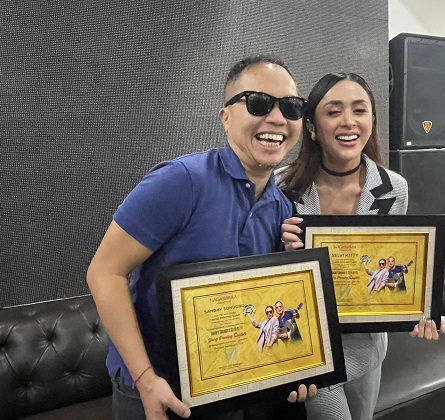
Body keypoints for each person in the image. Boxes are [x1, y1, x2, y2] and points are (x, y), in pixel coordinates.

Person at [86, 54, 315, 420]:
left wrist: (297, 365)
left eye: (290, 107)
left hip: (230, 383)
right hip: (156, 388)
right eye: (258, 103)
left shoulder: (283, 207)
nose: (277, 118)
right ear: (226, 117)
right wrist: (146, 379)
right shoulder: (181, 181)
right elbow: (104, 272)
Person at [277, 72, 445, 420]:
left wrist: (415, 310)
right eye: (333, 111)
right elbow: (262, 278)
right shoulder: (281, 187)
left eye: (359, 110)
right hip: (309, 346)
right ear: (311, 127)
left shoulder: (394, 188)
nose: (348, 121)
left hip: (367, 344)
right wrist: (285, 255)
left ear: (372, 120)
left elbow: (394, 266)